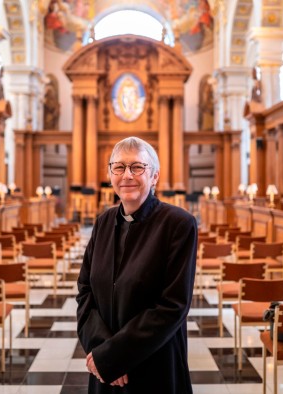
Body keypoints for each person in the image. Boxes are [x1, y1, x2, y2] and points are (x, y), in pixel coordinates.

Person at [76, 136, 197, 393]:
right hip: (105, 371)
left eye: (137, 167)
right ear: (110, 174)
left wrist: (117, 356)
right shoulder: (104, 222)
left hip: (154, 367)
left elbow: (172, 306)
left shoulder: (179, 224)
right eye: (119, 167)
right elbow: (85, 291)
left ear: (154, 176)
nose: (126, 175)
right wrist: (104, 353)